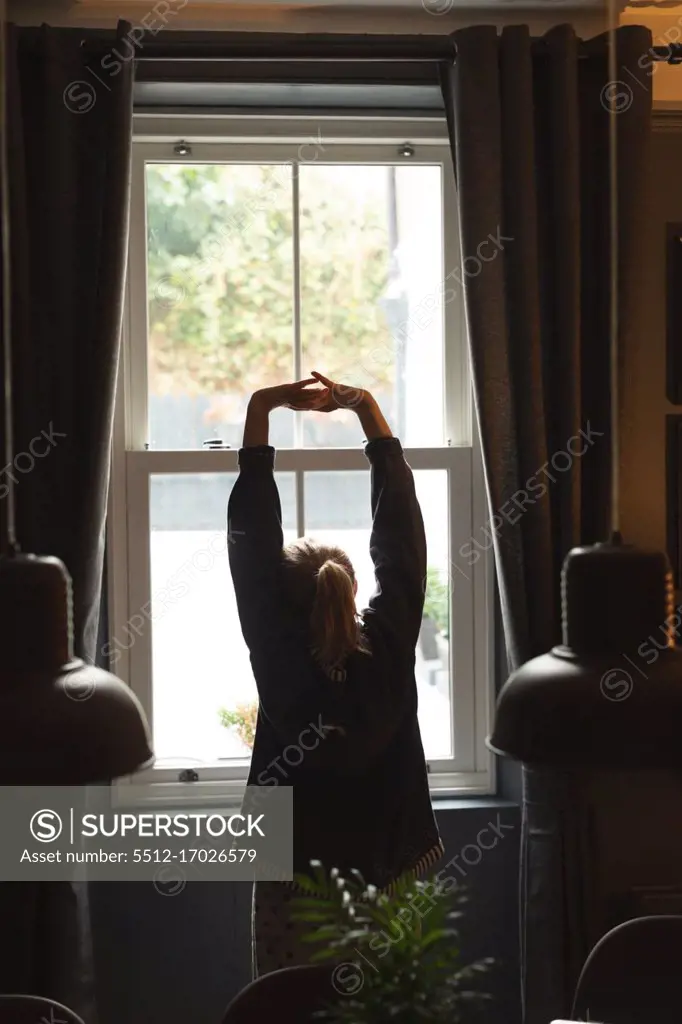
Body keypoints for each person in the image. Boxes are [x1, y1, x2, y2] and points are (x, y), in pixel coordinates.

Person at [227, 371, 444, 979]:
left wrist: (261, 412)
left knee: (288, 1011)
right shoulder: (390, 652)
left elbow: (249, 549)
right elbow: (403, 550)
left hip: (292, 878)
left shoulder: (278, 660)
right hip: (390, 867)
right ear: (349, 593)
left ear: (280, 598)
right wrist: (370, 416)